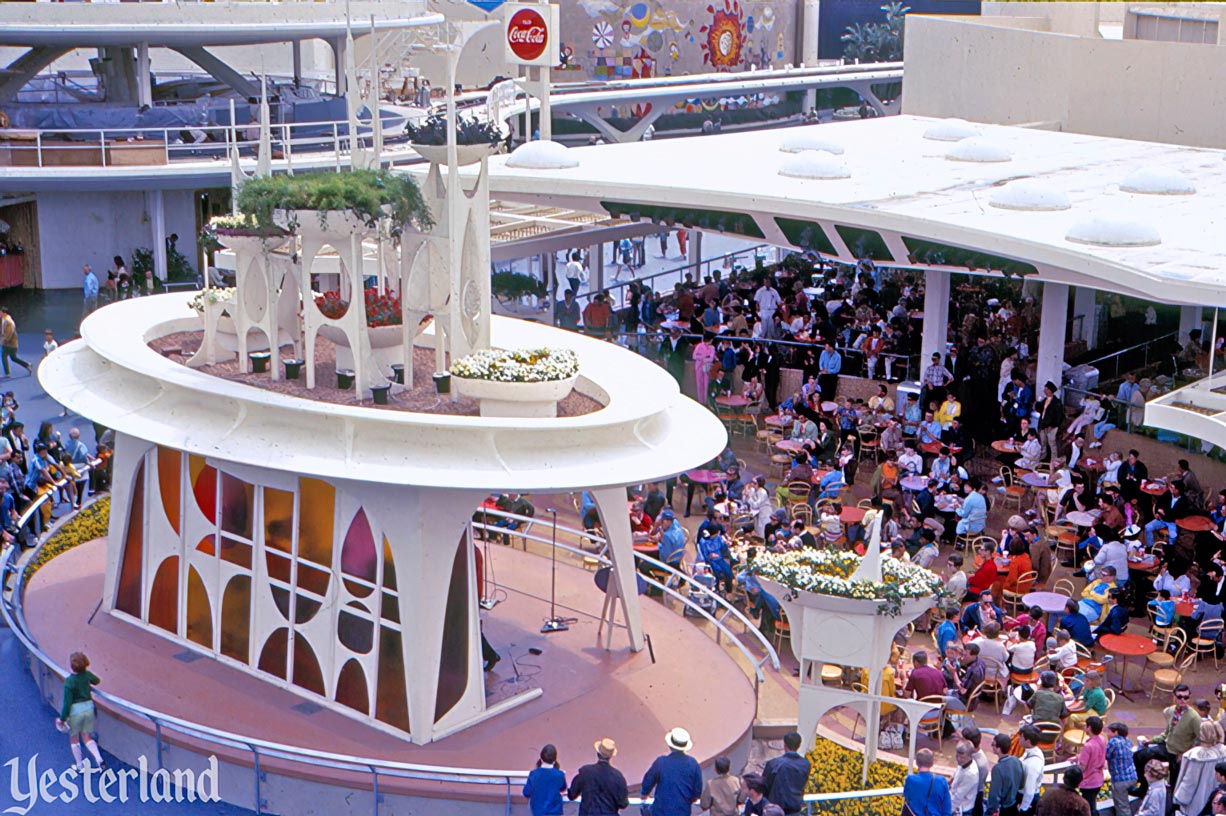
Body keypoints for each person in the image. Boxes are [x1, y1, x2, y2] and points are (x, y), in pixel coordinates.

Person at [1133, 685, 1202, 797]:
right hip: (1167, 747)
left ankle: (1173, 806)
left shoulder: (1194, 718)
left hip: (1180, 753)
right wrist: (1151, 741)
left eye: (1186, 697)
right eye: (1180, 697)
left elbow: (1200, 740)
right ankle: (1143, 787)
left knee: (1175, 783)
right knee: (1139, 756)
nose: (1183, 700)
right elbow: (1167, 733)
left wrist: (1185, 754)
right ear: (1174, 697)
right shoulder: (1171, 711)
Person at [56, 651, 106, 771]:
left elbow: (67, 704)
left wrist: (62, 719)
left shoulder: (69, 682)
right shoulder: (86, 675)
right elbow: (96, 680)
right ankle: (99, 759)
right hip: (88, 709)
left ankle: (79, 765)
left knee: (74, 738)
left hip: (75, 712)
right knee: (87, 736)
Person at [641, 727, 702, 816]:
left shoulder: (661, 762)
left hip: (661, 812)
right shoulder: (693, 764)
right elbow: (697, 792)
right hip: (683, 812)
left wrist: (644, 794)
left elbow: (648, 781)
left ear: (670, 745)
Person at [1173, 722, 1226, 816]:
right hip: (1219, 801)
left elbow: (1189, 782)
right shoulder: (1224, 751)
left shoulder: (1195, 756)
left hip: (1197, 802)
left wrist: (1179, 799)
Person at [568, 738, 630, 816]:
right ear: (610, 756)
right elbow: (623, 803)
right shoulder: (618, 777)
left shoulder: (585, 772)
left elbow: (572, 794)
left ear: (598, 753)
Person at [762, 731, 810, 816]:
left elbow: (764, 786)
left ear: (784, 745)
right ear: (799, 745)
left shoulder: (773, 764)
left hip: (775, 812)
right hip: (795, 811)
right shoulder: (805, 765)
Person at [904, 748, 953, 816]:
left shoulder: (910, 780)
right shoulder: (941, 781)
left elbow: (907, 797)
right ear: (932, 763)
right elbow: (947, 809)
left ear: (917, 763)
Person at [986, 732, 1025, 816]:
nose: (992, 746)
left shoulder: (997, 769)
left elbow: (994, 796)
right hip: (1014, 806)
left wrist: (990, 811)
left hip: (1004, 809)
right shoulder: (1016, 760)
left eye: (993, 744)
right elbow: (1022, 784)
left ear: (999, 749)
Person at [524, 744, 568, 816]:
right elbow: (563, 788)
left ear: (541, 759)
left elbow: (526, 793)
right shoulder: (559, 774)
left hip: (538, 812)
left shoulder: (534, 774)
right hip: (555, 811)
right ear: (554, 760)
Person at [1075, 717, 1107, 815]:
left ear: (1089, 728)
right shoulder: (1102, 739)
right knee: (1092, 804)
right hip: (1098, 779)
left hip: (1088, 782)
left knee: (1088, 808)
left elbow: (1083, 767)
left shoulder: (1088, 746)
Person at [1106, 723, 1137, 816]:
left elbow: (1106, 755)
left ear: (1115, 732)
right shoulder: (1128, 741)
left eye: (1108, 732)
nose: (1107, 734)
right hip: (1132, 777)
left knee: (1122, 808)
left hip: (1120, 780)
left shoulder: (1113, 742)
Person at [1019, 726, 1046, 816]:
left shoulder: (1032, 765)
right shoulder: (1033, 751)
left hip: (1027, 798)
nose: (1019, 738)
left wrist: (1023, 808)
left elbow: (1029, 790)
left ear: (1028, 741)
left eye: (1021, 737)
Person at [0, 306, 32, 377]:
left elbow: (9, 333)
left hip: (10, 344)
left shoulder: (9, 322)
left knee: (5, 356)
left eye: (1, 313)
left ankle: (7, 373)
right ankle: (27, 365)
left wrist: (3, 340)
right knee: (13, 358)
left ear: (4, 313)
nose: (0, 314)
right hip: (9, 344)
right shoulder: (4, 319)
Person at [952, 742, 982, 816]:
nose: (958, 759)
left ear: (970, 756)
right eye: (957, 756)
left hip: (963, 808)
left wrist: (947, 811)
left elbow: (958, 796)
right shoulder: (964, 763)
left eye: (962, 757)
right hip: (956, 802)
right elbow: (957, 772)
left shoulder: (970, 775)